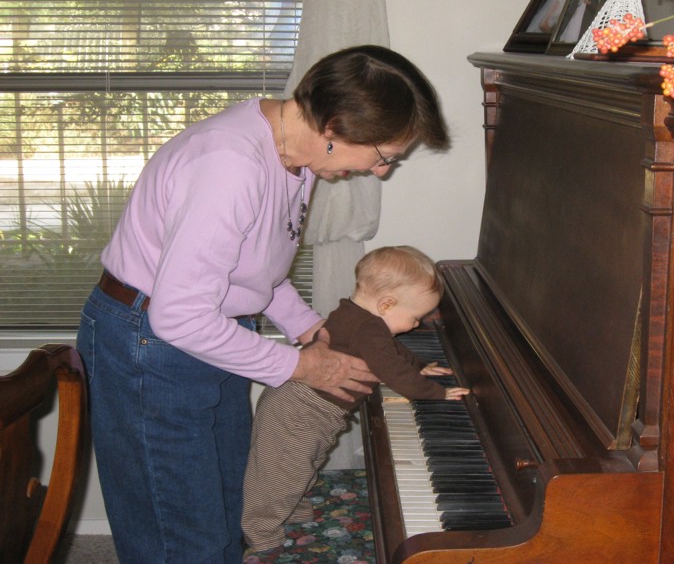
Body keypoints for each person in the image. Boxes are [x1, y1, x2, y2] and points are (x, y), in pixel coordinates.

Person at [76, 45, 449, 564]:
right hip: (151, 343)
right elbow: (179, 315)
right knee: (182, 532)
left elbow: (257, 272)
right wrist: (299, 365)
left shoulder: (292, 155)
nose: (381, 172)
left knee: (229, 503)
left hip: (215, 334)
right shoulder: (230, 165)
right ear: (335, 128)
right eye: (384, 156)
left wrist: (308, 330)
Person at [241, 246, 469, 555]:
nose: (416, 325)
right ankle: (262, 538)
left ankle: (293, 511)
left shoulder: (356, 314)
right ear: (387, 304)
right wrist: (437, 392)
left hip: (306, 407)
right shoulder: (370, 330)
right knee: (279, 474)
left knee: (302, 464)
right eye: (415, 318)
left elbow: (390, 351)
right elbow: (394, 372)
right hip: (300, 411)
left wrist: (420, 364)